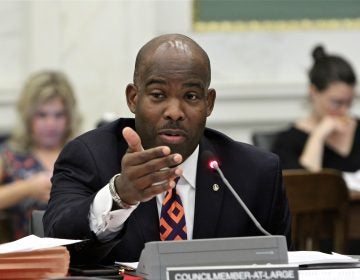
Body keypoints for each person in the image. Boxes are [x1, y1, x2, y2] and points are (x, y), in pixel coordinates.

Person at [44, 34, 291, 265]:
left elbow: (282, 266)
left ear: (209, 103)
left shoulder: (257, 173)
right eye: (158, 94)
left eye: (191, 96)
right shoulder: (90, 156)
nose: (174, 111)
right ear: (133, 98)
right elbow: (57, 242)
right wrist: (120, 196)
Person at [0, 70, 81, 241]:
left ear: (69, 117)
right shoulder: (9, 156)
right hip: (25, 255)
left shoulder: (80, 152)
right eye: (42, 115)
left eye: (58, 115)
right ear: (28, 117)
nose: (51, 124)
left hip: (79, 256)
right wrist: (28, 188)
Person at [272, 45, 359, 172]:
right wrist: (318, 135)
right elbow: (304, 186)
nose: (344, 110)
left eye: (349, 102)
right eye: (336, 103)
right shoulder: (288, 141)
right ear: (313, 92)